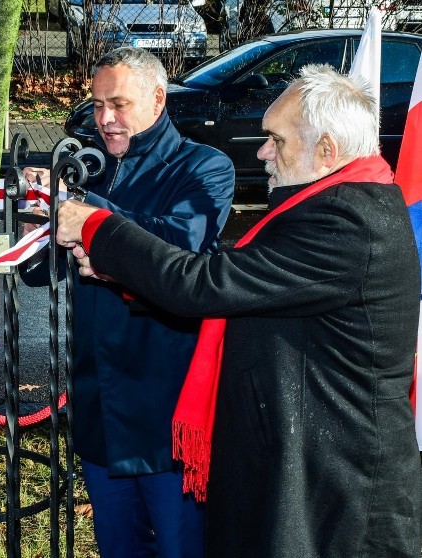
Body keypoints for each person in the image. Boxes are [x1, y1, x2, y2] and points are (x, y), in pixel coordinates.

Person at [56, 64, 422, 557]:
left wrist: (98, 227)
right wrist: (118, 271)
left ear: (326, 152)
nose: (263, 151)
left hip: (337, 493)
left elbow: (207, 283)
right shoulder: (331, 206)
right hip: (305, 468)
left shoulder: (346, 223)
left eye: (276, 139)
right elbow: (237, 284)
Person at [22, 47, 235, 557]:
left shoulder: (205, 166)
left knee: (183, 549)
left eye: (119, 104)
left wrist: (85, 213)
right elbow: (37, 273)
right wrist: (33, 226)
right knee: (118, 548)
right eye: (97, 106)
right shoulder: (87, 171)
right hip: (99, 408)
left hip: (167, 410)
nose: (106, 119)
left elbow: (178, 248)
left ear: (158, 99)